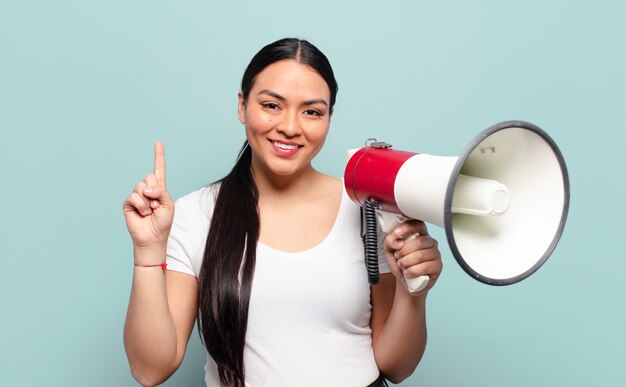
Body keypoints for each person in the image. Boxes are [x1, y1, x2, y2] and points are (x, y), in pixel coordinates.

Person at [123, 38, 443, 387]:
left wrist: (413, 294)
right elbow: (150, 368)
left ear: (329, 118)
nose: (290, 126)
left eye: (312, 111)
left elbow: (396, 366)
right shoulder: (196, 214)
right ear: (242, 106)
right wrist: (148, 253)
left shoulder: (365, 209)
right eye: (272, 105)